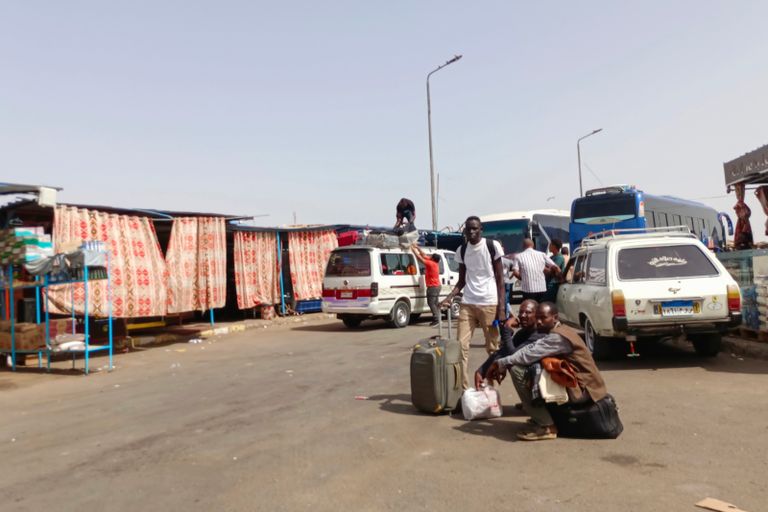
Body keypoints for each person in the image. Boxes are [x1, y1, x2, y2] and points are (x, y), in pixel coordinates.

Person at [486, 302, 608, 441]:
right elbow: (531, 349)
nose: (538, 322)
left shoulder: (558, 337)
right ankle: (542, 417)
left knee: (517, 370)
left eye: (543, 318)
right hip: (583, 386)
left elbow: (526, 355)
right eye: (537, 317)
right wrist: (500, 363)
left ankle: (546, 426)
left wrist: (500, 363)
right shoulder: (557, 330)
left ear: (555, 318)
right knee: (535, 366)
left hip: (586, 391)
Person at [440, 216, 505, 389]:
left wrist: (502, 308)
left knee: (493, 348)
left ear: (481, 229)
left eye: (475, 228)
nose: (471, 232)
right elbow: (461, 281)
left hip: (489, 302)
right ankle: (464, 390)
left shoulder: (492, 246)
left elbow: (500, 279)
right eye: (468, 229)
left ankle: (491, 389)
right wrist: (449, 297)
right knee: (460, 347)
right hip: (468, 302)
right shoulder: (461, 251)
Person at [474, 299, 538, 389]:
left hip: (542, 378)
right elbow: (503, 352)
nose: (522, 316)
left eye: (528, 312)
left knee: (515, 367)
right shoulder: (523, 333)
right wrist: (481, 371)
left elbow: (514, 355)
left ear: (537, 315)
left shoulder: (539, 334)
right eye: (520, 312)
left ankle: (530, 402)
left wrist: (507, 328)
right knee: (505, 361)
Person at [511, 238, 561, 303]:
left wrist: (523, 278)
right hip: (541, 288)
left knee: (530, 308)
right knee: (540, 309)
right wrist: (561, 278)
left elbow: (515, 272)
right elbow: (556, 267)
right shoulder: (542, 254)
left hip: (528, 289)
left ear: (523, 246)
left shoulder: (518, 256)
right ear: (533, 245)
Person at [411, 244, 442, 326]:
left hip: (433, 287)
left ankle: (436, 319)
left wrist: (413, 251)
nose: (430, 256)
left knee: (431, 303)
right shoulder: (434, 262)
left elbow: (420, 258)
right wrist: (417, 247)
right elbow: (424, 255)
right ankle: (438, 318)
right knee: (435, 303)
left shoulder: (431, 264)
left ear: (432, 259)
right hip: (437, 286)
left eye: (431, 256)